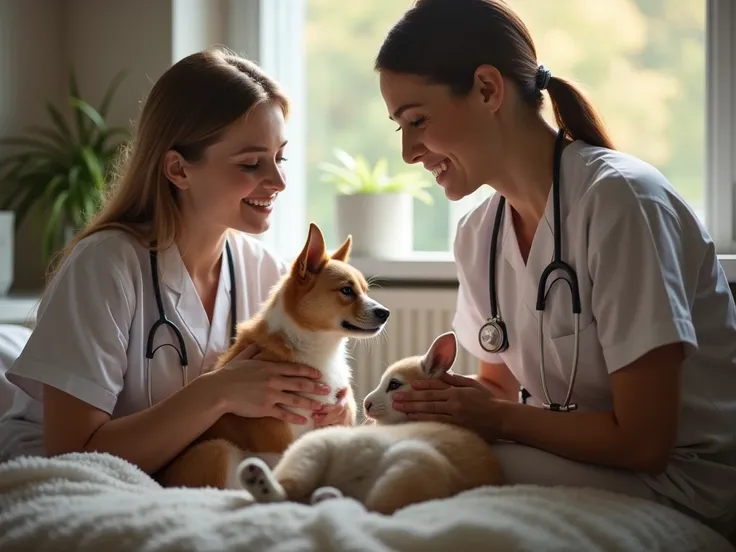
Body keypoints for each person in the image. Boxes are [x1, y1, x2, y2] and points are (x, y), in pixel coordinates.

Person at [377, 0, 736, 539]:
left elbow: (644, 443)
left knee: (419, 467)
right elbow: (500, 389)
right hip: (587, 463)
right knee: (407, 451)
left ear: (486, 89)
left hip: (680, 483)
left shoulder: (622, 201)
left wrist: (494, 420)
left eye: (417, 121)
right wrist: (451, 404)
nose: (408, 151)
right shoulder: (480, 233)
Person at [0, 47, 351, 475]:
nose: (278, 181)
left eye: (281, 158)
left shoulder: (266, 274)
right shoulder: (105, 265)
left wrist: (332, 411)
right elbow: (71, 454)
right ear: (179, 170)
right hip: (69, 479)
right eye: (251, 163)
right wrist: (216, 393)